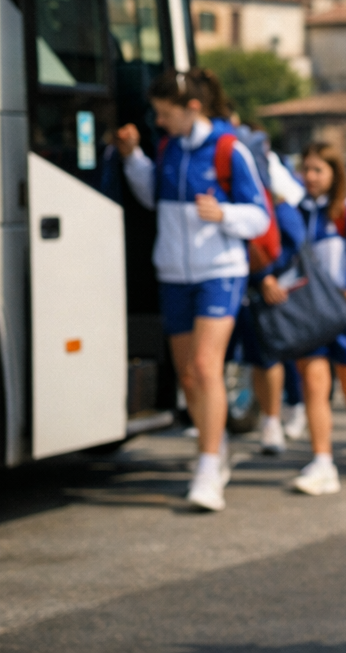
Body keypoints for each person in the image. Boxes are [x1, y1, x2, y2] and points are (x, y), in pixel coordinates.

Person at [115, 67, 271, 512]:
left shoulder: (228, 149)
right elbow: (154, 197)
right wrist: (133, 158)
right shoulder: (168, 147)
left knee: (205, 367)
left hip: (219, 271)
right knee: (188, 376)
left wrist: (224, 215)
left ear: (192, 108)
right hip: (174, 274)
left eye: (165, 113)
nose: (159, 121)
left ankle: (207, 468)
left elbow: (260, 216)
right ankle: (215, 447)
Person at [288, 142, 346, 494]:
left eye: (318, 170)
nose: (310, 177)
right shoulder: (298, 212)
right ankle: (322, 462)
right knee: (314, 386)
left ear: (334, 173)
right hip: (311, 318)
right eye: (306, 169)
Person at [236, 152, 308, 456]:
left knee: (272, 358)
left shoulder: (278, 205)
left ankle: (279, 416)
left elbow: (295, 244)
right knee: (256, 359)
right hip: (244, 288)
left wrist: (267, 275)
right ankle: (270, 417)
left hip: (271, 292)